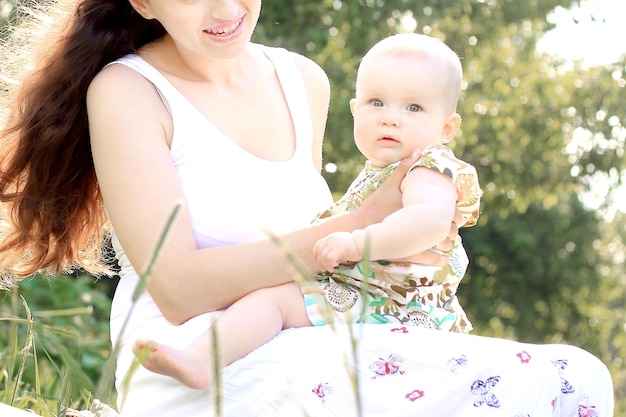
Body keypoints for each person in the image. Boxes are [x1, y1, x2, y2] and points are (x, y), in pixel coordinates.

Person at [0, 0, 614, 416]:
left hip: (314, 322)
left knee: (575, 377)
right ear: (143, 2)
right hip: (199, 347)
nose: (225, 8)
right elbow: (179, 288)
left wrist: (398, 256)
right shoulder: (128, 90)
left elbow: (323, 240)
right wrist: (362, 226)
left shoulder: (303, 80)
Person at [132, 33, 481, 390]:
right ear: (354, 109)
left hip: (399, 304)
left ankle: (203, 359)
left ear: (447, 127)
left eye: (413, 108)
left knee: (274, 302)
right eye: (377, 103)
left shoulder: (429, 166)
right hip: (366, 294)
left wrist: (357, 242)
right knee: (273, 302)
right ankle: (200, 359)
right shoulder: (381, 172)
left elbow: (428, 221)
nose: (390, 119)